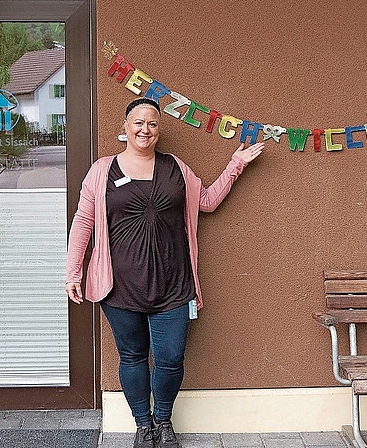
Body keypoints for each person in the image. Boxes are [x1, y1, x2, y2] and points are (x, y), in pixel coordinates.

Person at [65, 97, 263, 448]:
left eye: (153, 123)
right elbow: (83, 221)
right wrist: (74, 271)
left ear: (159, 130)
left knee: (170, 359)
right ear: (125, 128)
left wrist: (236, 164)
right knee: (132, 357)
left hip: (173, 285)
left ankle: (163, 420)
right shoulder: (102, 171)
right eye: (138, 122)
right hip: (119, 287)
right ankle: (143, 425)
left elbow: (207, 202)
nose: (145, 129)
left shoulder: (175, 168)